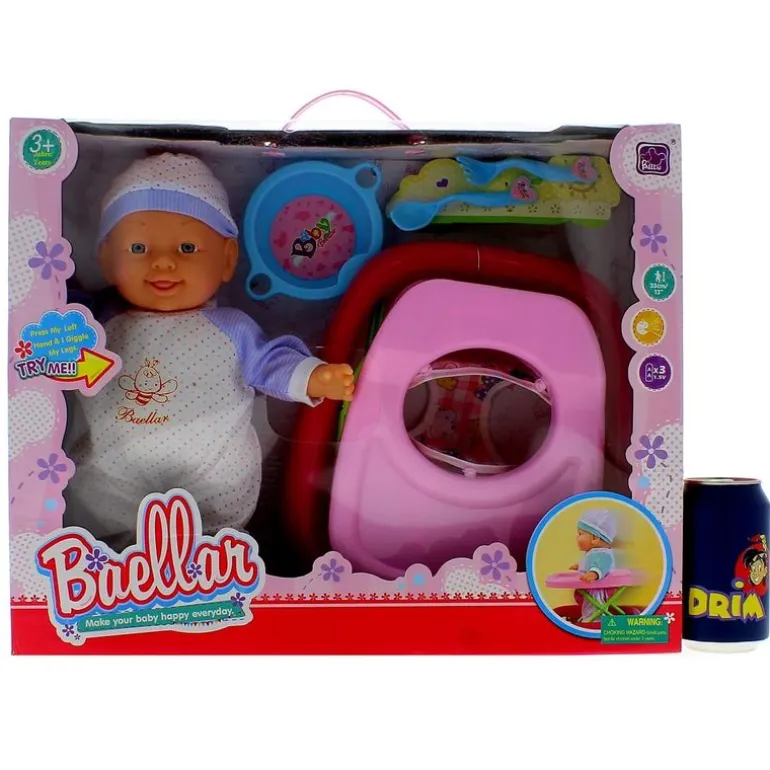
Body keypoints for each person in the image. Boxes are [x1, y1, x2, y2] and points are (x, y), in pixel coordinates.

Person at [64, 152, 353, 549]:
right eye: (138, 248)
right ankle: (107, 562)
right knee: (98, 528)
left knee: (210, 545)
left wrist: (312, 376)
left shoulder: (231, 329)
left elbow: (270, 362)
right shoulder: (94, 324)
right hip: (110, 481)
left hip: (211, 489)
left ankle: (210, 560)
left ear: (227, 260)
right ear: (107, 260)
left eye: (187, 247)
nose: (162, 262)